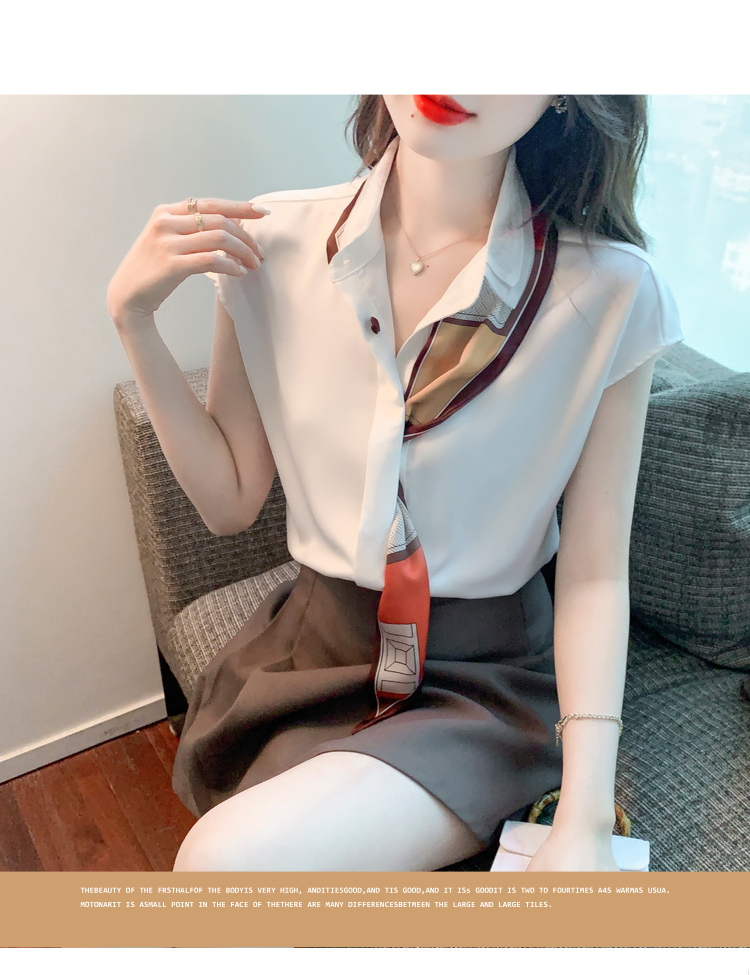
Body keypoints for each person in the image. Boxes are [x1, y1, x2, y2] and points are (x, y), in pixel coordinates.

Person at [106, 95, 684, 872]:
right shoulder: (271, 243)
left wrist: (584, 814)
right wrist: (134, 322)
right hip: (312, 652)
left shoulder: (612, 293)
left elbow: (594, 572)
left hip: (480, 679)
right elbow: (230, 500)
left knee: (220, 864)